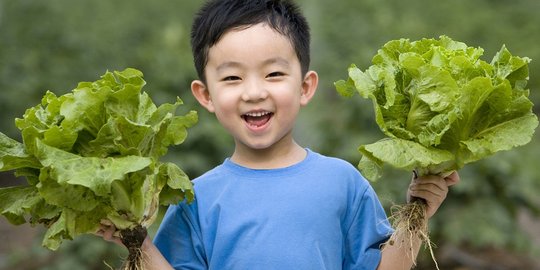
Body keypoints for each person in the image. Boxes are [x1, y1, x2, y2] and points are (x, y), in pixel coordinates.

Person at [98, 0, 460, 269]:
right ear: (205, 95)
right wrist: (137, 240)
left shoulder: (342, 182)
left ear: (305, 87)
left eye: (273, 74)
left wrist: (420, 208)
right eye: (232, 78)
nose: (254, 92)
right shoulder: (195, 198)